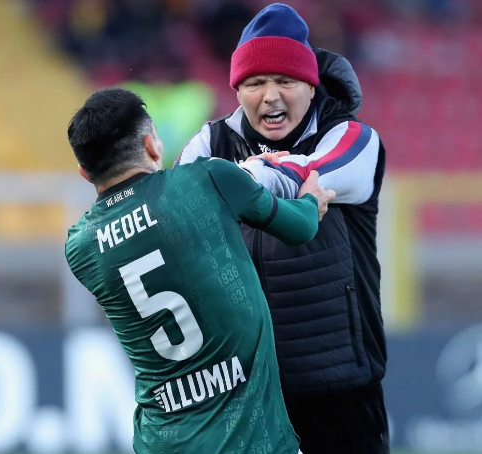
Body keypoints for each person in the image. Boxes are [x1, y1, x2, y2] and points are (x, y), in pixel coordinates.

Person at [64, 87, 336, 454]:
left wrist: (239, 175)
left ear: (84, 172)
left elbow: (151, 219)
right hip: (252, 443)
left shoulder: (80, 246)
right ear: (151, 146)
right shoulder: (210, 179)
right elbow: (300, 226)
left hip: (162, 443)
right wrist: (310, 199)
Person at [176, 3, 388, 454]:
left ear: (311, 85)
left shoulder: (354, 138)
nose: (270, 96)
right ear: (237, 90)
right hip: (246, 391)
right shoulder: (209, 141)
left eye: (285, 81)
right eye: (254, 83)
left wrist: (236, 178)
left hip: (339, 386)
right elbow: (177, 214)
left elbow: (307, 173)